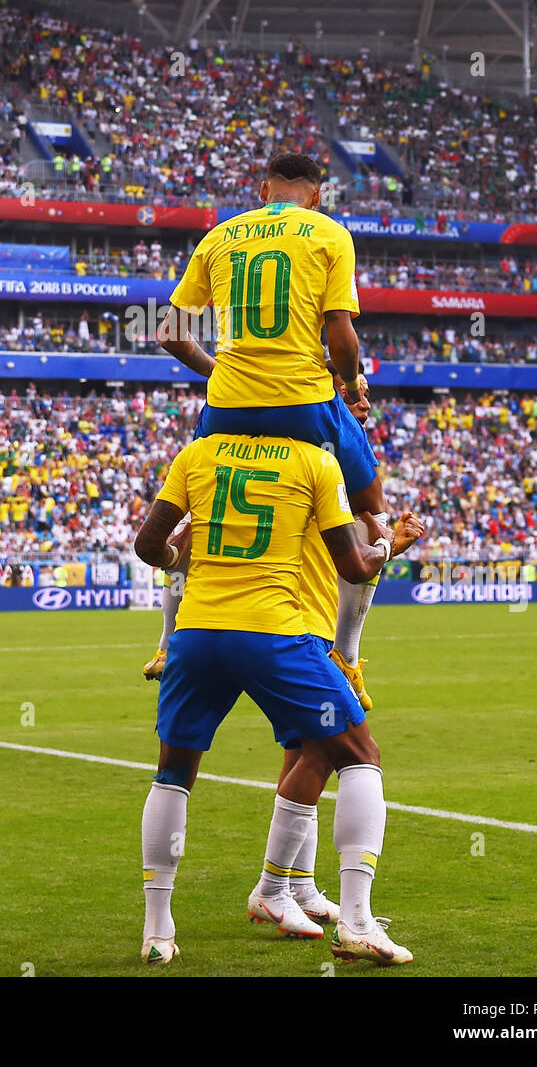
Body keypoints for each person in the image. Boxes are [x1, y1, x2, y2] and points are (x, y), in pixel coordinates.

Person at [134, 428, 425, 966]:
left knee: (172, 772)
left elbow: (150, 548)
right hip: (275, 631)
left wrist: (183, 559)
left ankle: (158, 929)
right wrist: (392, 545)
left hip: (198, 632)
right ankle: (357, 922)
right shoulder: (316, 459)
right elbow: (357, 567)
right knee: (359, 753)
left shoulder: (199, 451)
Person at [151, 151, 389, 703]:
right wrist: (352, 388)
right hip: (302, 402)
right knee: (372, 507)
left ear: (264, 189)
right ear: (317, 194)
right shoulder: (329, 234)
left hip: (229, 403)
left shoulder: (219, 236)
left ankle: (167, 641)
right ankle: (347, 655)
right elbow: (340, 333)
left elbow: (170, 332)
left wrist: (221, 370)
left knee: (193, 512)